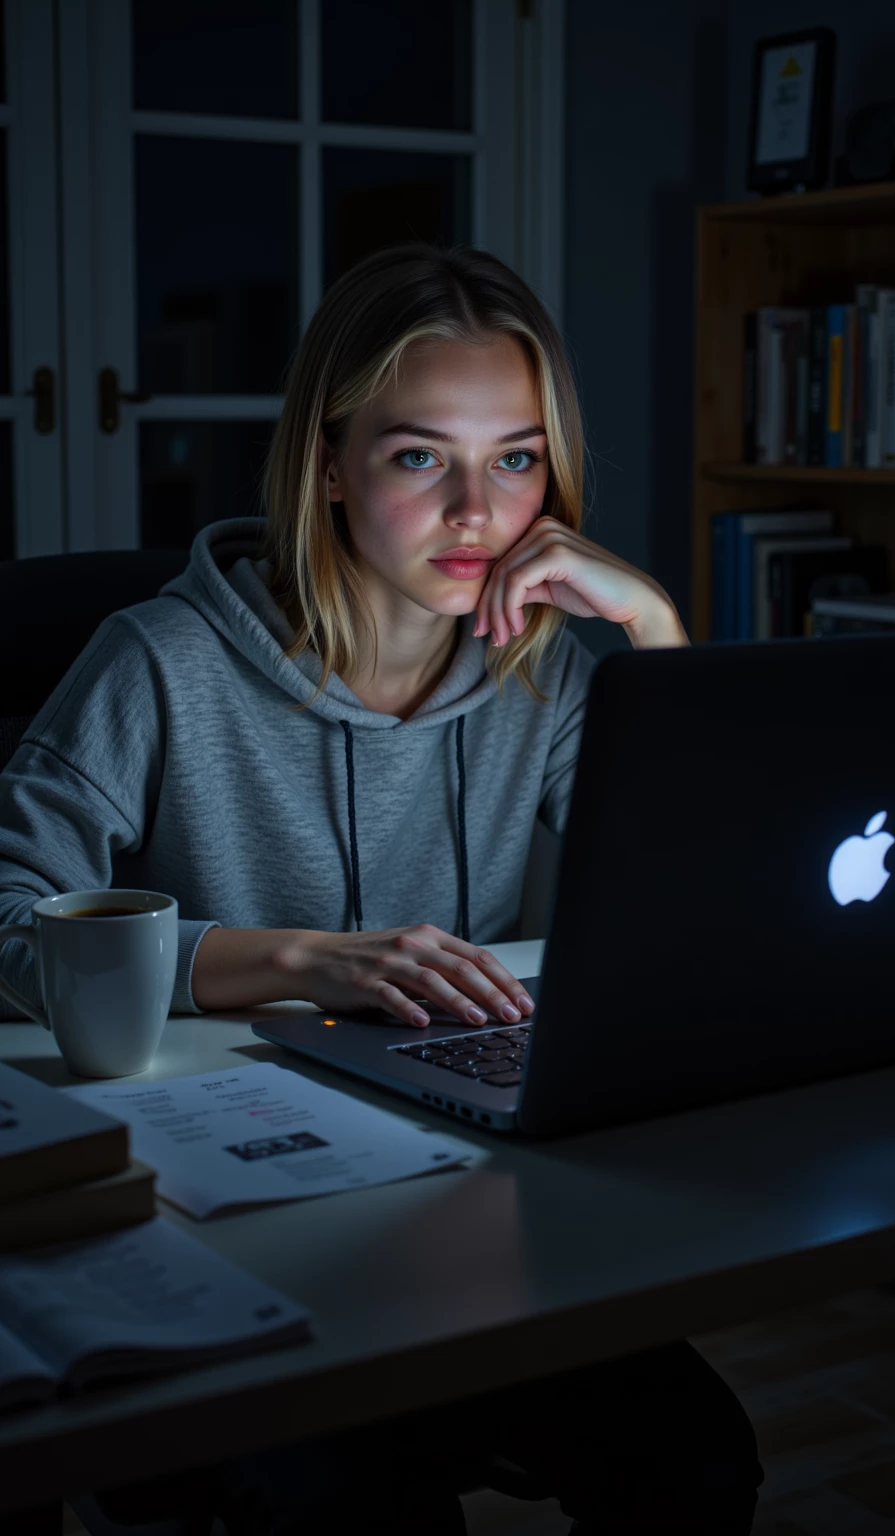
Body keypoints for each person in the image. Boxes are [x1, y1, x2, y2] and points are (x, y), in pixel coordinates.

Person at [0, 240, 763, 1533]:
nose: (480, 511)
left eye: (516, 458)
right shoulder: (160, 662)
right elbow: (7, 919)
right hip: (237, 1213)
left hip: (475, 1194)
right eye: (422, 457)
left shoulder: (551, 675)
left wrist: (657, 641)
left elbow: (710, 919)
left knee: (695, 1462)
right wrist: (294, 959)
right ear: (328, 467)